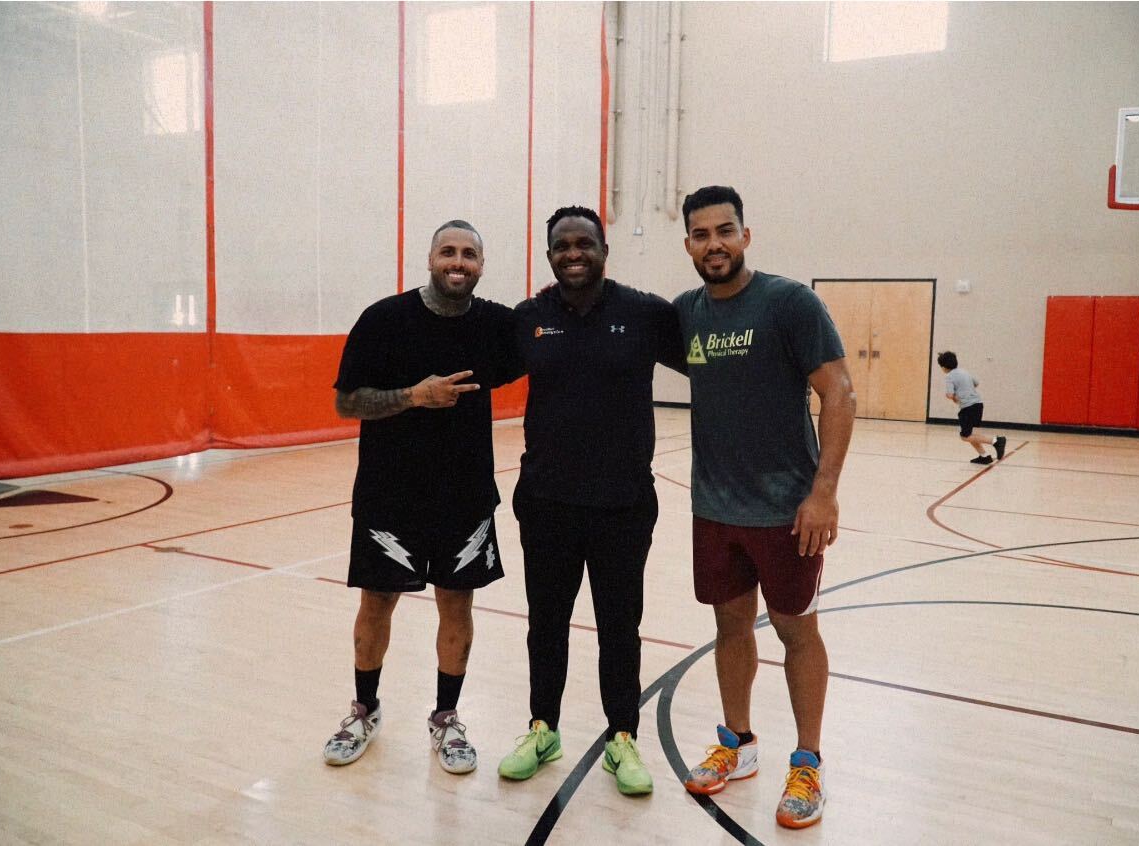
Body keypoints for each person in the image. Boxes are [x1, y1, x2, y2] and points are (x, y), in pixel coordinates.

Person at [672, 186, 856, 830]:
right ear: (688, 244)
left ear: (746, 236)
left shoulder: (788, 303)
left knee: (795, 630)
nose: (714, 243)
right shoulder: (687, 314)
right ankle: (738, 745)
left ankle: (807, 761)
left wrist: (823, 492)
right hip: (714, 509)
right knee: (728, 628)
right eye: (701, 234)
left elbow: (839, 391)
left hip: (786, 511)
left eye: (725, 231)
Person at [496, 206, 685, 796]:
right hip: (546, 501)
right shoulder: (528, 319)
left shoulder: (647, 313)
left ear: (605, 249)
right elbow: (474, 374)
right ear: (548, 254)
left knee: (619, 625)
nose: (572, 253)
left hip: (623, 504)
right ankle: (542, 727)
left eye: (583, 243)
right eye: (560, 245)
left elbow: (712, 370)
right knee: (545, 623)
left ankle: (621, 736)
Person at [324, 220, 523, 775]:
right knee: (376, 604)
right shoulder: (383, 320)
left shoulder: (496, 326)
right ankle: (364, 708)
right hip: (389, 496)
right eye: (448, 252)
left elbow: (554, 337)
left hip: (464, 497)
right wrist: (415, 395)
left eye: (469, 255)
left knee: (457, 605)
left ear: (481, 265)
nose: (458, 262)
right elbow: (347, 403)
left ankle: (446, 716)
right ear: (430, 258)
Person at [936, 351, 1006, 465]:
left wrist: (953, 396)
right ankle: (984, 456)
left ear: (943, 367)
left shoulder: (949, 376)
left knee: (964, 436)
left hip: (968, 408)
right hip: (978, 405)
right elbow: (976, 383)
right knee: (972, 435)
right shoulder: (964, 371)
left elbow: (949, 394)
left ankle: (996, 441)